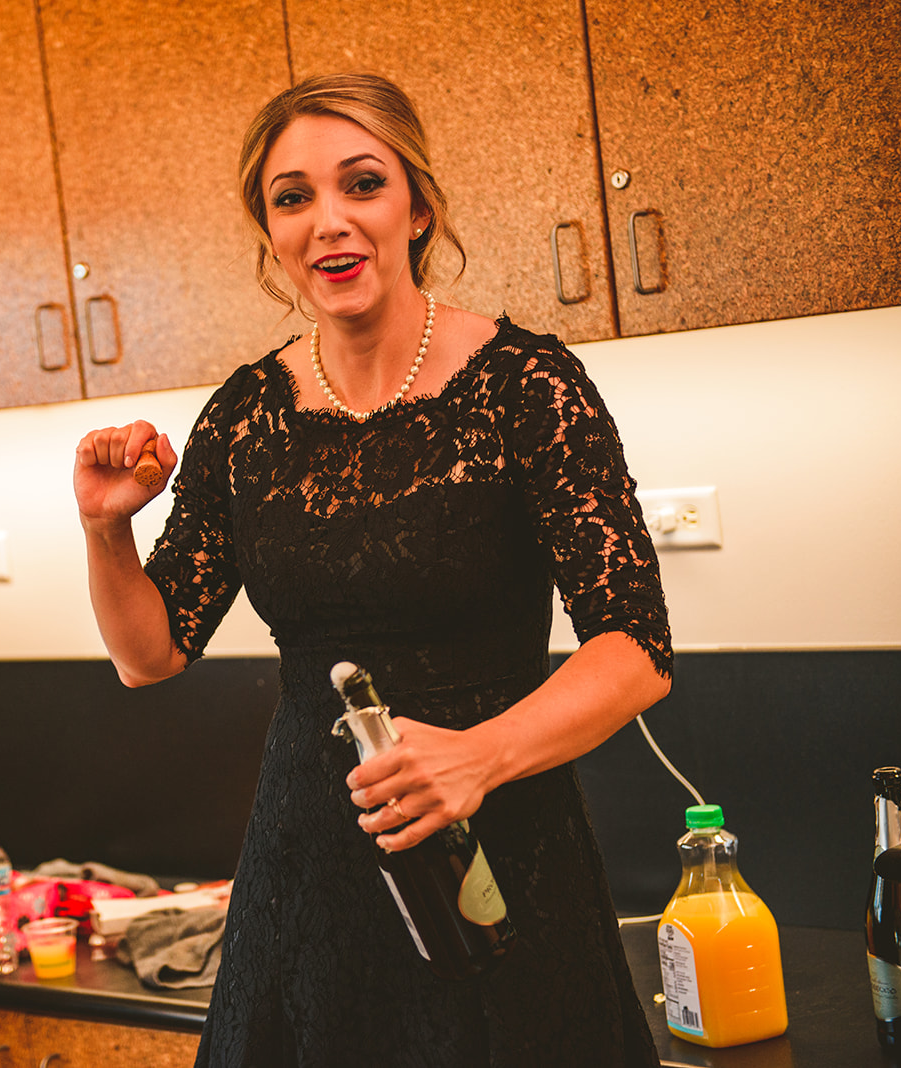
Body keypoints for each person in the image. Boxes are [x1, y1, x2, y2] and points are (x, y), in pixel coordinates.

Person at [73, 73, 672, 1066]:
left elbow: (635, 648)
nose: (329, 221)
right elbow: (149, 653)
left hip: (505, 851)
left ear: (417, 205)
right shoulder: (245, 416)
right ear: (268, 230)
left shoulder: (525, 385)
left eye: (361, 183)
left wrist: (476, 756)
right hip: (309, 870)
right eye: (292, 197)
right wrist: (104, 533)